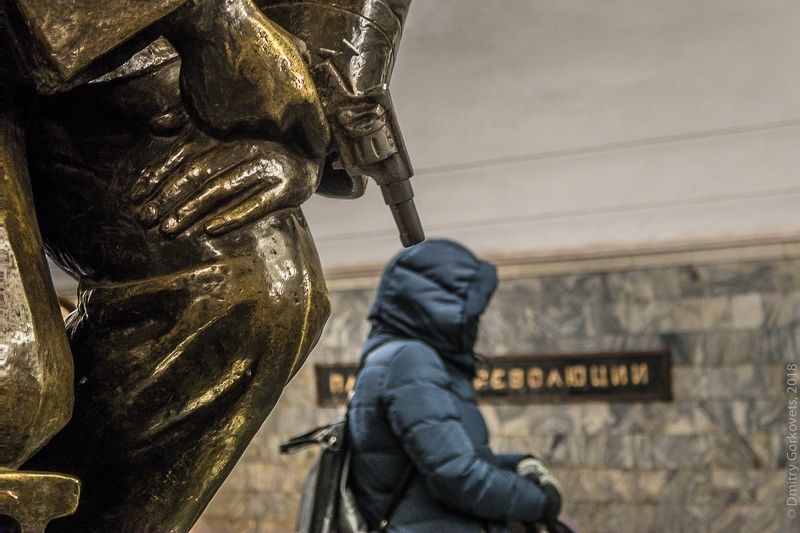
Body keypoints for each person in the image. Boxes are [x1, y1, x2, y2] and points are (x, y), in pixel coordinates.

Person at [348, 239, 563, 533]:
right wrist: (540, 502)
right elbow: (457, 477)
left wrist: (517, 464)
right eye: (471, 312)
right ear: (442, 307)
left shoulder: (389, 356)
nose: (476, 323)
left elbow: (445, 459)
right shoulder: (409, 360)